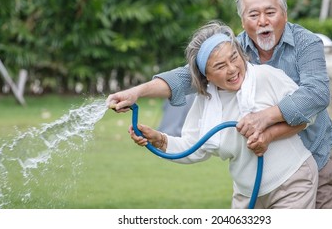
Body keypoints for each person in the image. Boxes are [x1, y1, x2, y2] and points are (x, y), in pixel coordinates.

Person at [106, 0, 332, 209]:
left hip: (312, 157)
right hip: (254, 182)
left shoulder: (304, 44)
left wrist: (265, 121)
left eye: (270, 12)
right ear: (242, 20)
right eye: (253, 15)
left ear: (285, 14)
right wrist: (137, 92)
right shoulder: (232, 49)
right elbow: (188, 77)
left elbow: (316, 94)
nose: (263, 21)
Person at [127, 21, 318, 209]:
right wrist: (159, 140)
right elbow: (192, 147)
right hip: (247, 193)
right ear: (206, 76)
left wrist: (268, 135)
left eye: (234, 57)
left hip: (292, 182)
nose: (232, 69)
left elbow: (307, 114)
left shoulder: (266, 76)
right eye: (220, 66)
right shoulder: (206, 100)